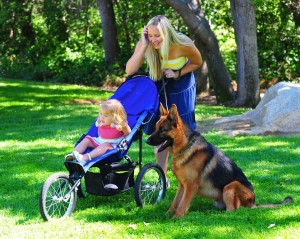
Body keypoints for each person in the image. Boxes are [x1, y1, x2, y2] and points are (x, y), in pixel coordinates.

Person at [126, 15, 203, 187]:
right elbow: (130, 69)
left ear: (167, 33)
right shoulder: (146, 43)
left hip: (181, 83)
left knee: (184, 132)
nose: (154, 40)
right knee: (160, 131)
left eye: (157, 36)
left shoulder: (183, 44)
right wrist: (143, 46)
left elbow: (197, 62)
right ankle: (163, 179)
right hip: (158, 84)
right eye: (150, 35)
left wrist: (177, 73)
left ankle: (192, 176)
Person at [65, 99, 131, 166]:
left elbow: (129, 134)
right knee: (87, 139)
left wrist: (125, 126)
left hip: (112, 146)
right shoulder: (101, 122)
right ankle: (74, 155)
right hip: (99, 141)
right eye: (101, 114)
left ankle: (85, 158)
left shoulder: (119, 125)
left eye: (106, 116)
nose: (102, 117)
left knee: (105, 145)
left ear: (115, 117)